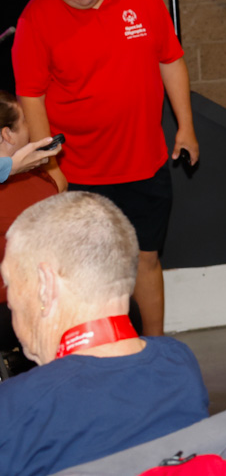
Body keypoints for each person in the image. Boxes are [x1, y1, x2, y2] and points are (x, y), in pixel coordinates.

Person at [12, 0, 200, 336]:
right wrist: (50, 165)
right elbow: (32, 96)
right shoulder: (35, 19)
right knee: (87, 271)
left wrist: (185, 127)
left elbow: (170, 59)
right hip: (78, 171)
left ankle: (154, 349)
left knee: (146, 260)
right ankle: (97, 353)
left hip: (144, 162)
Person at [0, 192, 209, 475]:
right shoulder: (180, 363)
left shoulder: (16, 408)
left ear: (45, 286)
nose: (10, 302)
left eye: (11, 284)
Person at [0, 91, 59, 348]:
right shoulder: (39, 184)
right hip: (27, 306)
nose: (29, 128)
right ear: (7, 134)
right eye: (24, 121)